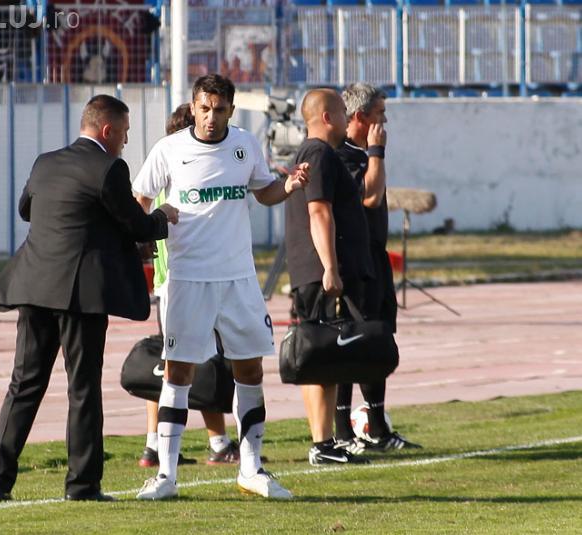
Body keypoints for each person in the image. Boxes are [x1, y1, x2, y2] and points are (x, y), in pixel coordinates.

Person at [0, 95, 179, 503]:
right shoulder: (109, 168)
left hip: (33, 286)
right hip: (79, 294)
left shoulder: (45, 162)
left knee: (24, 384)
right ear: (108, 130)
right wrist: (164, 216)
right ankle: (82, 484)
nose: (125, 141)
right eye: (124, 133)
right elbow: (136, 223)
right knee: (83, 387)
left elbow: (27, 210)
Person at [132, 74, 309, 500]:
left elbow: (264, 191)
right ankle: (166, 477)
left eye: (219, 109)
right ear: (193, 107)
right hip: (187, 279)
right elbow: (140, 201)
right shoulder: (169, 149)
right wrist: (144, 240)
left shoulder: (245, 145)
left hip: (238, 279)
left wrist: (288, 186)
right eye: (204, 108)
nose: (211, 117)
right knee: (178, 373)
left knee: (250, 370)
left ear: (231, 110)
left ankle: (251, 469)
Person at [139, 103, 241, 469]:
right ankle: (218, 441)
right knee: (200, 363)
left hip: (167, 283)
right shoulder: (181, 178)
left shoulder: (165, 174)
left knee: (171, 363)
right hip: (185, 283)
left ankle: (154, 443)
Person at [284, 88, 374, 466]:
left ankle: (326, 442)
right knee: (319, 355)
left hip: (320, 271)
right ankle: (322, 443)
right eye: (340, 112)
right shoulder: (318, 153)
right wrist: (331, 268)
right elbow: (319, 212)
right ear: (326, 117)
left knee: (328, 356)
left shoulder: (317, 154)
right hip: (320, 274)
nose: (346, 118)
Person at [334, 83, 421, 452]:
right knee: (349, 342)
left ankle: (378, 428)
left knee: (378, 340)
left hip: (376, 259)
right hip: (353, 262)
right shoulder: (342, 156)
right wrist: (377, 152)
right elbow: (369, 196)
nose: (385, 121)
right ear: (360, 117)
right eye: (380, 114)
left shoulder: (364, 154)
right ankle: (341, 431)